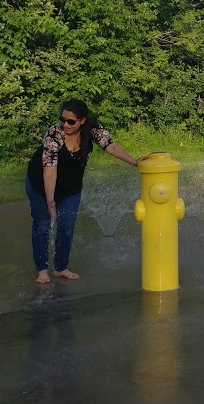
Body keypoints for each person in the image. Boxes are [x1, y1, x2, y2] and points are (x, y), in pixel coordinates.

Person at [26, 99, 144, 285]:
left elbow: (110, 146)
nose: (65, 124)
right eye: (62, 119)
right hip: (41, 185)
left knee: (66, 226)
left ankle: (61, 268)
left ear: (82, 120)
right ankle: (42, 270)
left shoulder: (93, 129)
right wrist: (50, 201)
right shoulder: (54, 134)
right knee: (42, 224)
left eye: (70, 121)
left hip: (70, 188)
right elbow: (49, 170)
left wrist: (134, 162)